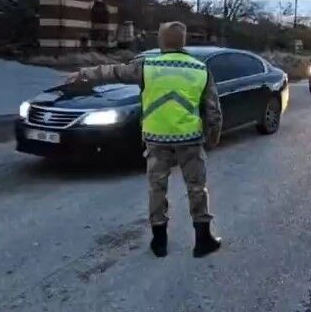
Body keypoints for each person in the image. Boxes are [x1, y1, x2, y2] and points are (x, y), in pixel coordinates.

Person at [66, 21, 223, 258]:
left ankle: (159, 242)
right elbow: (213, 111)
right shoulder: (200, 69)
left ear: (161, 41)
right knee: (196, 187)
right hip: (190, 139)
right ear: (183, 41)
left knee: (157, 189)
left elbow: (114, 71)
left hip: (156, 139)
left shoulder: (147, 66)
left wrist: (83, 74)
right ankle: (203, 240)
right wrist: (212, 138)